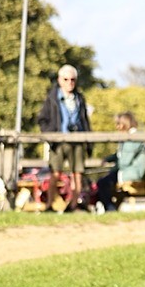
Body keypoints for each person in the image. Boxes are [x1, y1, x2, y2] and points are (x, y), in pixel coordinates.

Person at [37, 64, 92, 210]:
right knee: (55, 173)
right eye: (66, 79)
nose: (70, 83)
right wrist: (50, 134)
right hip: (58, 141)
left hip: (77, 140)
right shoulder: (52, 98)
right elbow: (42, 119)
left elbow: (85, 121)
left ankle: (73, 204)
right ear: (60, 80)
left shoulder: (79, 98)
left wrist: (89, 142)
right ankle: (50, 205)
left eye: (72, 79)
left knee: (77, 173)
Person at [95, 112, 145, 212]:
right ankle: (110, 208)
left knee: (102, 183)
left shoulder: (133, 138)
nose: (117, 127)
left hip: (132, 172)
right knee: (105, 182)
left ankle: (110, 209)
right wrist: (108, 159)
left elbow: (124, 161)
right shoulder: (130, 137)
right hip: (129, 170)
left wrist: (113, 169)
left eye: (118, 124)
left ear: (124, 124)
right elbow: (121, 155)